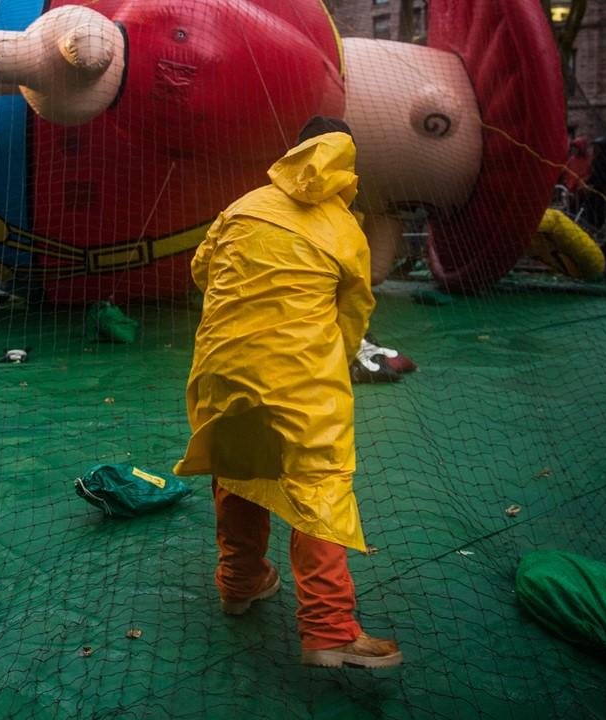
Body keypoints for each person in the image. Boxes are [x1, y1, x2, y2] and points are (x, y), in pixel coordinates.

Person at [173, 117, 402, 669]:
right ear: (346, 164)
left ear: (293, 151)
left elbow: (202, 271)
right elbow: (355, 313)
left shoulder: (244, 206)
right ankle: (328, 628)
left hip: (222, 366)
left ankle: (240, 582)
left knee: (237, 468)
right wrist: (334, 362)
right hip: (298, 374)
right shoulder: (345, 229)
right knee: (317, 483)